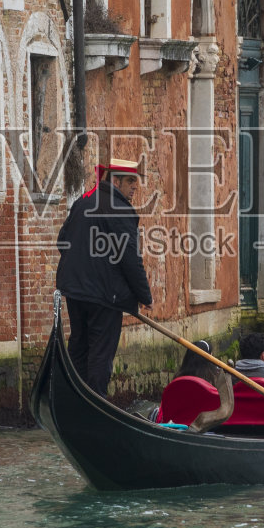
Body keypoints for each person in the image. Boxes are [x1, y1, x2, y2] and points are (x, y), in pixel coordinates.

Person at [55, 158, 153, 395]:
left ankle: (75, 400)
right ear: (115, 180)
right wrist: (144, 296)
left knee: (79, 347)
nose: (134, 187)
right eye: (130, 181)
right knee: (100, 353)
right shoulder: (121, 209)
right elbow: (130, 259)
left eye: (136, 181)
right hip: (105, 296)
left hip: (75, 291)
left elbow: (62, 241)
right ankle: (96, 401)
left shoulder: (83, 201)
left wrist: (84, 265)